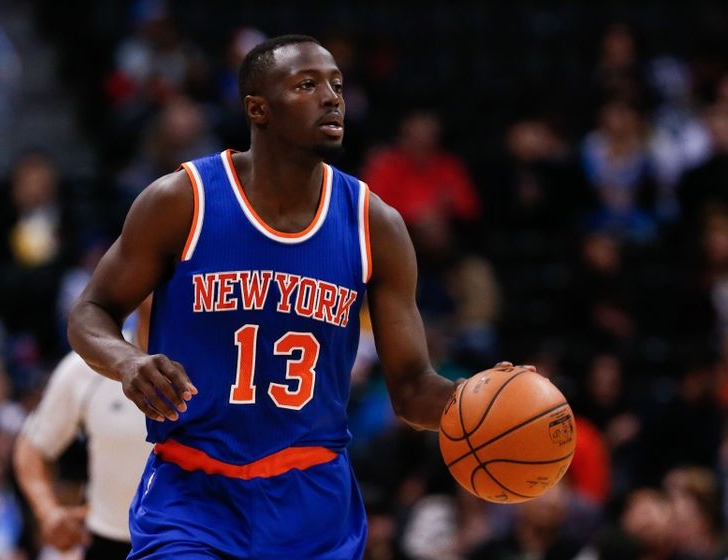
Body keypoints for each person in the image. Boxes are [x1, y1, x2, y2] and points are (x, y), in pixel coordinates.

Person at [68, 34, 519, 559]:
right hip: (193, 495)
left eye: (337, 86)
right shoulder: (183, 200)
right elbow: (90, 311)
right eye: (307, 85)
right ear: (257, 109)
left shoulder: (375, 225)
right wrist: (127, 361)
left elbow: (412, 388)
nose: (331, 98)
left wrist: (477, 400)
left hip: (313, 504)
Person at [14, 300, 152, 559]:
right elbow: (32, 446)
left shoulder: (218, 363)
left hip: (195, 543)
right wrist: (48, 512)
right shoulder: (88, 365)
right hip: (107, 542)